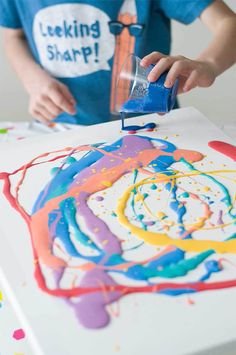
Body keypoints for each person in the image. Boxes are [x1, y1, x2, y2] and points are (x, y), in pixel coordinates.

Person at [0, 0, 235, 125]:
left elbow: (229, 23)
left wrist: (209, 64)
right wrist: (32, 79)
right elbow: (13, 36)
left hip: (154, 125)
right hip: (61, 125)